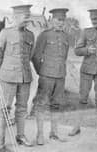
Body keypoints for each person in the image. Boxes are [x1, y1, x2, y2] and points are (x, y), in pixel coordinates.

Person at [0, 4, 35, 149]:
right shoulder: (5, 33)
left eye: (29, 15)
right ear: (15, 17)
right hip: (8, 77)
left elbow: (30, 55)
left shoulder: (30, 35)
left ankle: (20, 136)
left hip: (25, 77)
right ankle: (0, 140)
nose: (28, 18)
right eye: (25, 16)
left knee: (22, 108)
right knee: (4, 108)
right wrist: (5, 70)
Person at [32, 8, 69, 145]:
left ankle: (54, 133)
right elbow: (36, 56)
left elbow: (63, 57)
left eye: (63, 20)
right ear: (52, 20)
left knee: (56, 105)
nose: (61, 22)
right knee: (41, 104)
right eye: (58, 19)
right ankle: (40, 135)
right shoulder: (44, 35)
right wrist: (41, 71)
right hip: (46, 75)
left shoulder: (66, 36)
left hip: (60, 76)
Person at [69, 9, 97, 137]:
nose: (94, 21)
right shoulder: (86, 32)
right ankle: (76, 127)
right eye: (92, 19)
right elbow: (77, 51)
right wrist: (87, 50)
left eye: (96, 19)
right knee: (82, 99)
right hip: (87, 70)